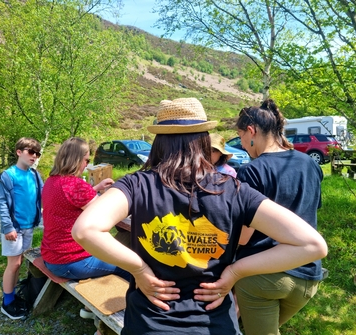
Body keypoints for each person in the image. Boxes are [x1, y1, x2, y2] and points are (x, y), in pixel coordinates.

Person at [72, 97, 327, 335]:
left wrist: (139, 269)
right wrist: (235, 272)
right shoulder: (235, 190)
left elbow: (85, 230)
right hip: (213, 324)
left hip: (150, 322)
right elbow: (311, 245)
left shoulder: (137, 184)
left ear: (160, 141)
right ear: (205, 140)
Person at [232, 99, 324, 334]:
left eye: (241, 136)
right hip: (308, 277)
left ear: (251, 131)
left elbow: (243, 237)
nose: (242, 145)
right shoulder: (309, 164)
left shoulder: (251, 171)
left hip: (262, 279)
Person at [40, 137, 130, 296]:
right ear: (76, 159)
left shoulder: (52, 180)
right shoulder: (75, 185)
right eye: (86, 160)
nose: (87, 164)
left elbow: (72, 201)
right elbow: (106, 213)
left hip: (51, 255)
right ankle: (127, 306)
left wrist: (95, 188)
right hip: (70, 261)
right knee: (128, 265)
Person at [0, 137, 44, 320]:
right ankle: (7, 303)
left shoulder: (35, 175)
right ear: (19, 152)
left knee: (19, 263)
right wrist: (8, 227)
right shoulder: (8, 176)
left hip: (29, 227)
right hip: (14, 229)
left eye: (37, 153)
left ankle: (12, 296)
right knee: (13, 264)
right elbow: (1, 204)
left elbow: (45, 194)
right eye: (31, 152)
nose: (34, 156)